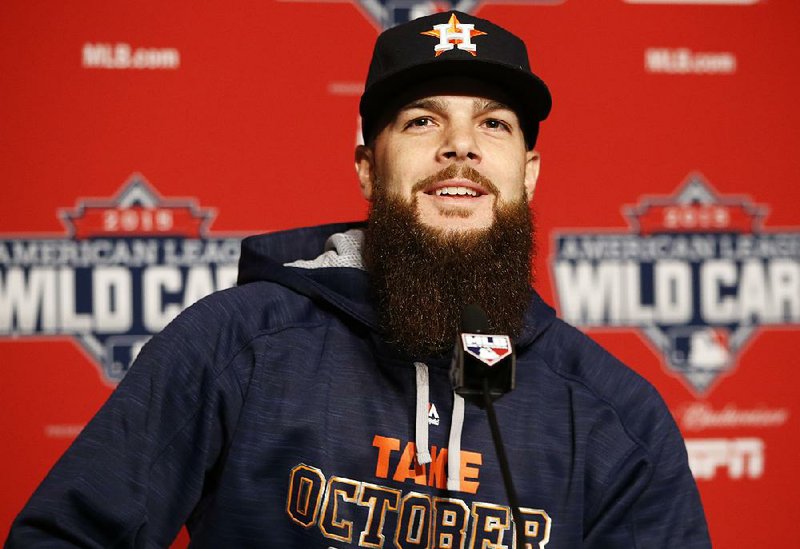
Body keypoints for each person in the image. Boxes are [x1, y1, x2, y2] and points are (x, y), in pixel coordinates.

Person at [6, 11, 710, 548]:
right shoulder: (237, 346)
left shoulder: (617, 418)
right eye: (422, 120)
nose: (459, 145)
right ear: (368, 167)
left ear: (527, 173)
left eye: (493, 124)